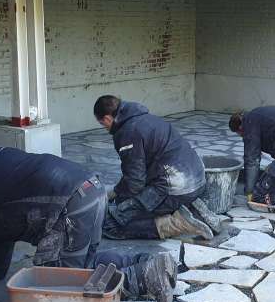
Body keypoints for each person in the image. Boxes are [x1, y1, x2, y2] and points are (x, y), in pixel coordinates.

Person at [0, 140, 176, 302]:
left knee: (62, 285)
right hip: (91, 188)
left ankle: (144, 277)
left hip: (68, 203)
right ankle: (150, 262)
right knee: (82, 263)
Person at [93, 95, 221, 241]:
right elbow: (138, 171)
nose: (105, 127)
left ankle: (178, 223)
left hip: (175, 188)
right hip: (196, 181)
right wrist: (119, 193)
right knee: (132, 203)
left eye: (103, 123)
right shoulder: (148, 119)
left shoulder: (127, 133)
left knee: (113, 224)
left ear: (108, 118)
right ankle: (190, 208)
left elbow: (134, 182)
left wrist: (118, 199)